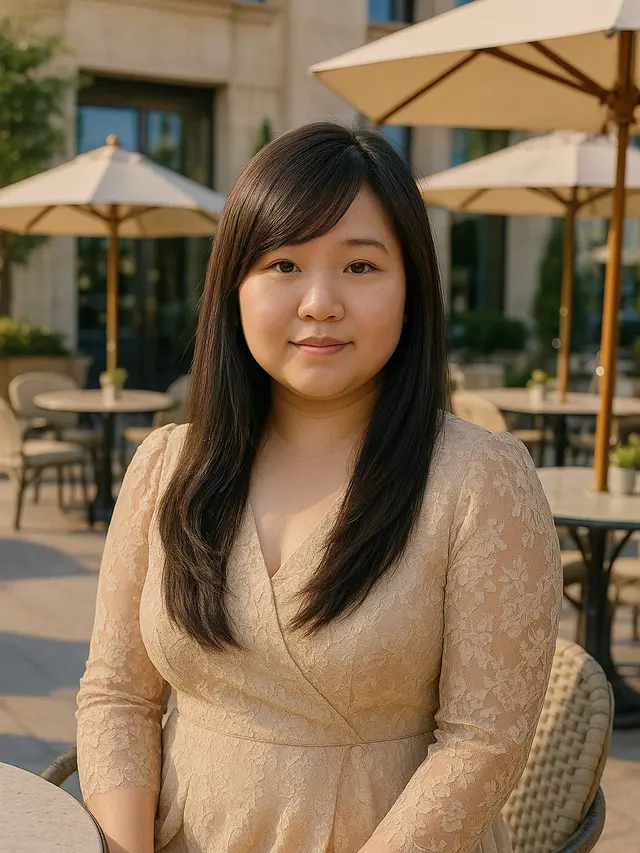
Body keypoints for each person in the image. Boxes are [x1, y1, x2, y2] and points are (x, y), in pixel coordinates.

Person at [76, 121, 563, 853]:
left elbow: (483, 743)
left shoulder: (478, 479)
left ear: (412, 289)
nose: (319, 302)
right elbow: (118, 695)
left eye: (360, 266)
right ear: (234, 288)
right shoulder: (167, 466)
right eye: (283, 264)